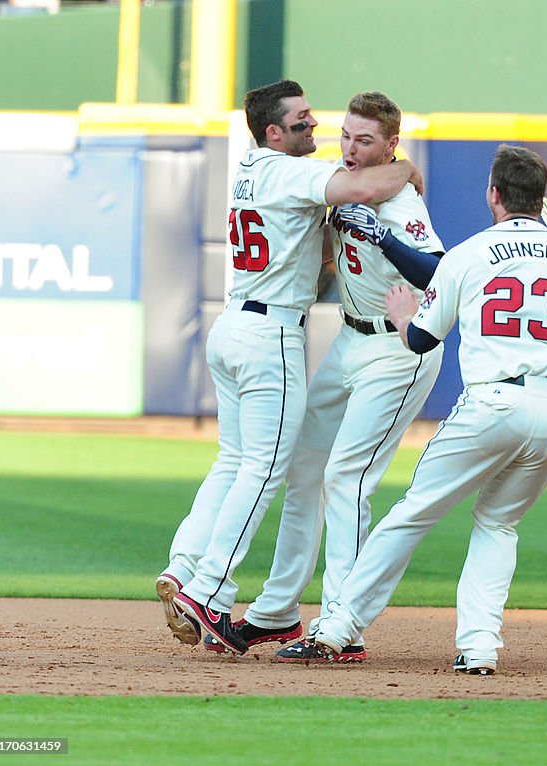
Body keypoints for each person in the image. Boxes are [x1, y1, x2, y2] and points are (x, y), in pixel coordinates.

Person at [306, 144, 547, 674]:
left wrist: (402, 313)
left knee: (412, 514)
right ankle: (478, 649)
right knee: (498, 523)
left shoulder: (468, 254)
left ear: (493, 194)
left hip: (493, 402)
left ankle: (336, 627)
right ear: (541, 199)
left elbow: (422, 339)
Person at [155, 80, 424, 654]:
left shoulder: (253, 167)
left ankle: (188, 568)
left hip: (236, 324)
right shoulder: (292, 172)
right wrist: (405, 167)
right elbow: (370, 181)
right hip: (271, 333)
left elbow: (329, 241)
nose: (317, 130)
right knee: (265, 469)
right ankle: (209, 590)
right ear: (273, 131)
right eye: (303, 121)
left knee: (236, 461)